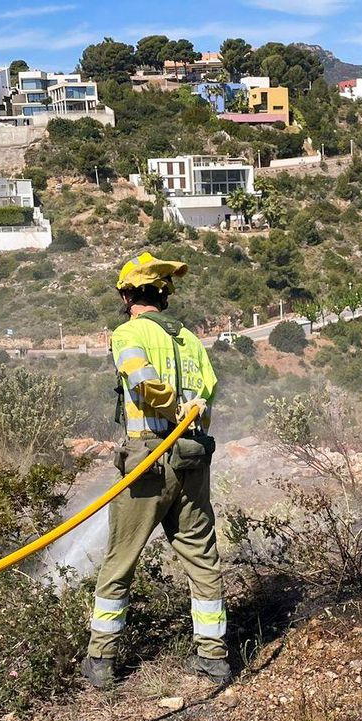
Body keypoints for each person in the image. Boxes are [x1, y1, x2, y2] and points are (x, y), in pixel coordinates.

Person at [82, 253, 229, 689]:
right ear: (164, 296)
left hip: (148, 461)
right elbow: (209, 393)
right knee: (202, 558)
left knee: (120, 559)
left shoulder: (127, 333)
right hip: (191, 459)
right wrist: (189, 414)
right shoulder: (190, 340)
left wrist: (173, 409)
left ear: (128, 296)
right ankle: (213, 656)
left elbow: (141, 382)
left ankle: (101, 660)